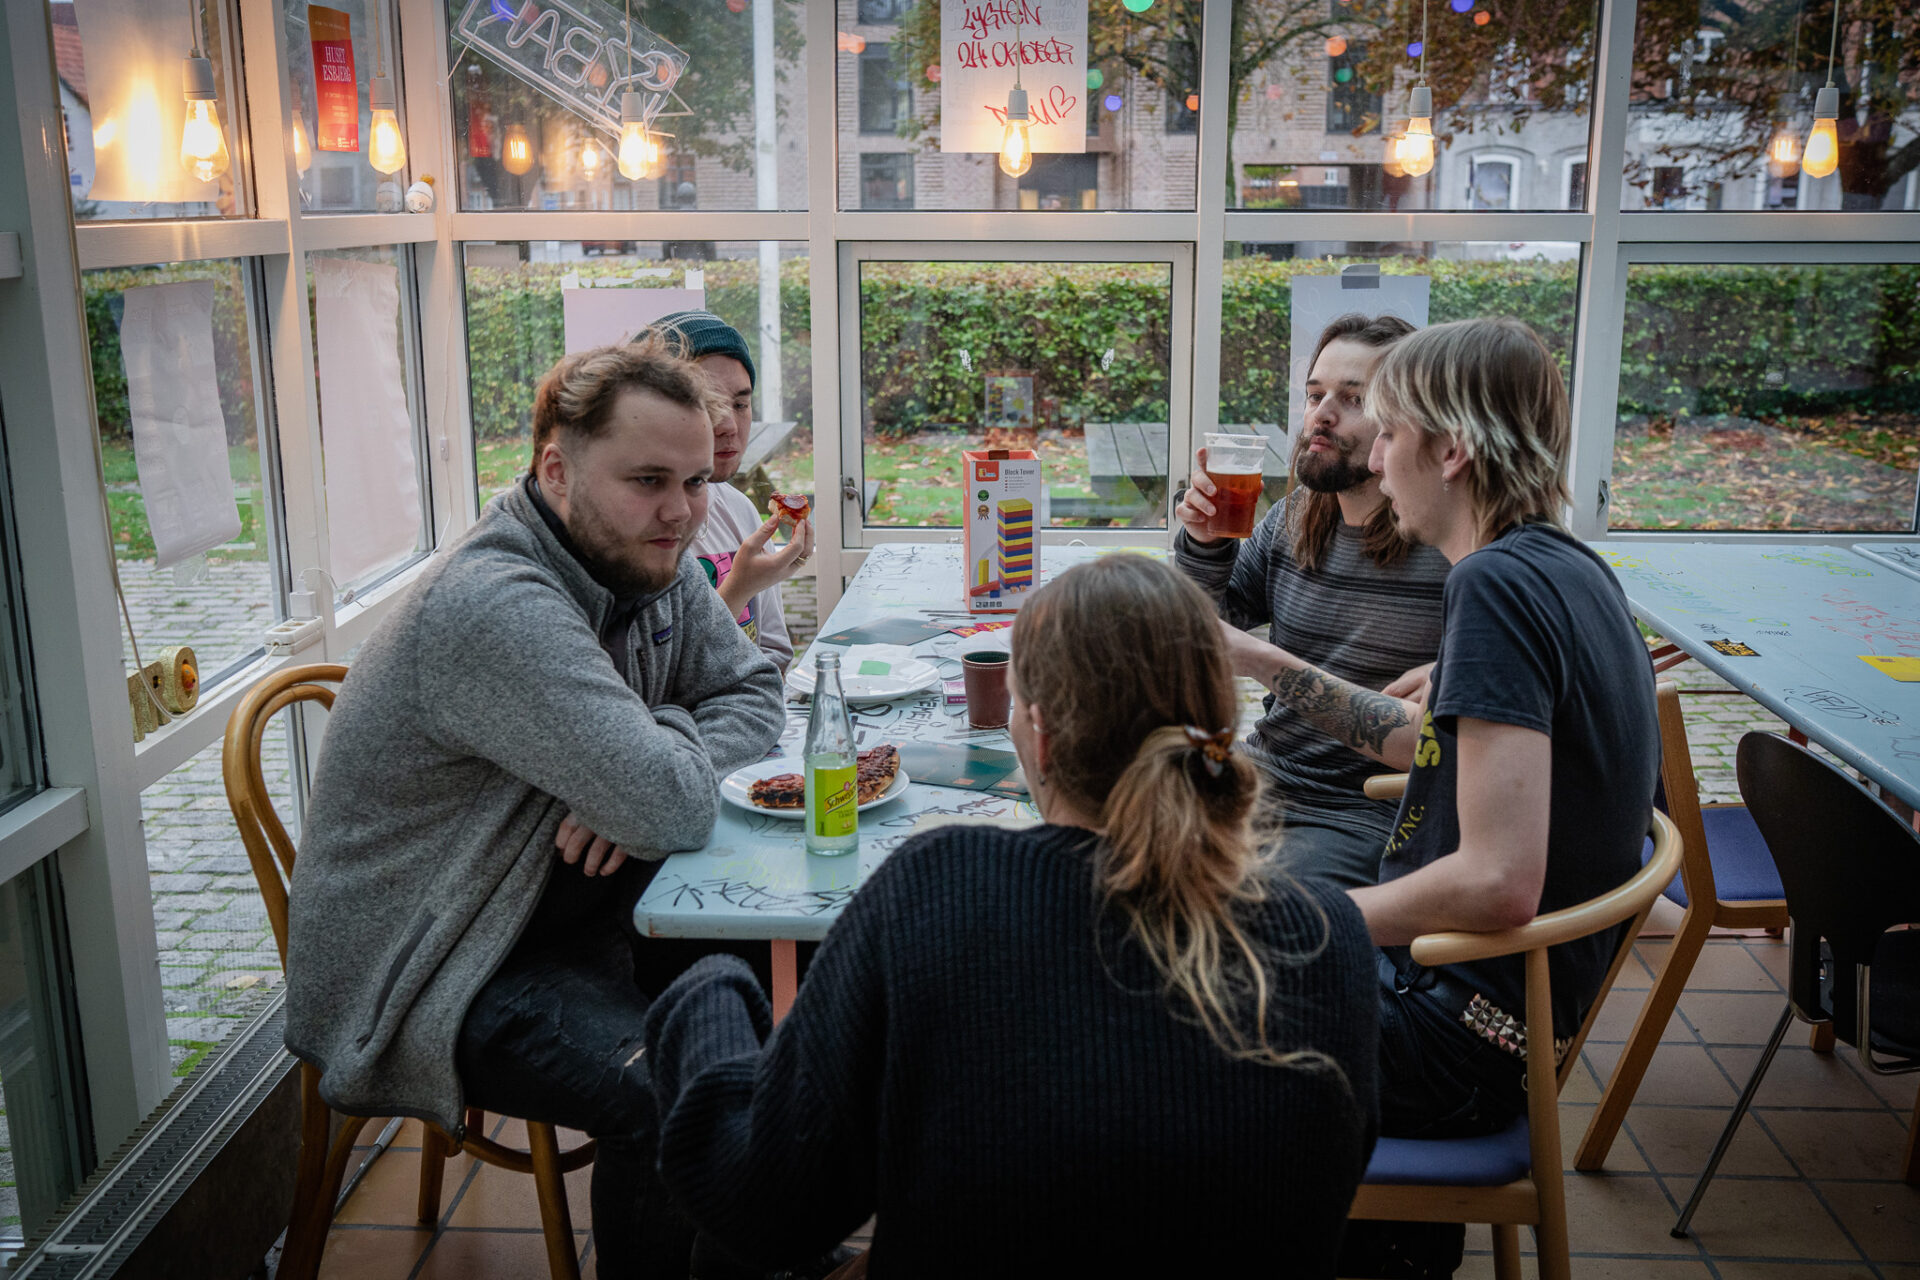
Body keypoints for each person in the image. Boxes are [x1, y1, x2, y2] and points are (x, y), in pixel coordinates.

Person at [640, 555, 1381, 1277]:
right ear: (1222, 724)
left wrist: (711, 987)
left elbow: (762, 1207)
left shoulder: (942, 888)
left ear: (1042, 737)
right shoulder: (1327, 933)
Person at [283, 338, 788, 1275]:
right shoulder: (495, 604)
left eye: (691, 480)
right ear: (556, 469)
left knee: (811, 969)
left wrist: (643, 756)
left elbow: (755, 694)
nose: (681, 513)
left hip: (562, 904)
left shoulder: (648, 552)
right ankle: (739, 1209)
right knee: (683, 1087)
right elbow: (672, 807)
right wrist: (644, 773)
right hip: (435, 962)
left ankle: (751, 1214)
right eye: (647, 480)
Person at [1213, 317, 1658, 1275]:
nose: (1372, 450)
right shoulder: (1562, 563)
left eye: (1390, 429)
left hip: (1457, 1032)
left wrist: (1309, 917)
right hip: (1489, 1004)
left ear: (1450, 450)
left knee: (1155, 1011)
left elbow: (1498, 883)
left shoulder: (1493, 587)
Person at [1175, 313, 1450, 888]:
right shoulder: (1294, 515)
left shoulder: (1448, 544)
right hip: (1261, 775)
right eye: (1315, 394)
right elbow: (1204, 633)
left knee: (1244, 914)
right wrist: (1203, 544)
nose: (1321, 415)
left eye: (1353, 399)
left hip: (1369, 810)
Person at [653, 309, 812, 672]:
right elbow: (663, 680)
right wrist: (739, 587)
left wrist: (769, 576)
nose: (728, 425)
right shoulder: (636, 531)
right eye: (707, 406)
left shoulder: (739, 509)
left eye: (740, 404)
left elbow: (774, 651)